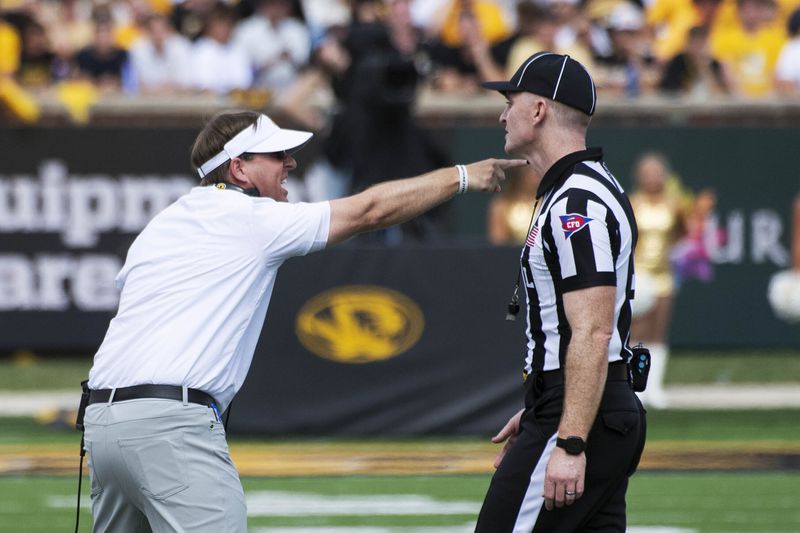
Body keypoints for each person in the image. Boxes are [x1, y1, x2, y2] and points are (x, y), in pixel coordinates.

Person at [80, 109, 526, 532]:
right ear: (238, 169)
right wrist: (462, 177)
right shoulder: (249, 216)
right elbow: (369, 211)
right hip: (169, 423)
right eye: (277, 155)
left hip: (101, 421)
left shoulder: (163, 223)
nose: (291, 162)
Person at [475, 52, 647, 532]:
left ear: (538, 110)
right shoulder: (574, 188)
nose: (502, 114)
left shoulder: (577, 200)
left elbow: (592, 330)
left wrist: (569, 438)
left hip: (577, 416)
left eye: (511, 101)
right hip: (579, 403)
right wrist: (539, 402)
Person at [628, 152, 687, 409]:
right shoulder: (632, 202)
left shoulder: (675, 204)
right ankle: (636, 385)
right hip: (638, 275)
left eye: (657, 172)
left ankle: (655, 388)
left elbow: (683, 233)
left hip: (664, 275)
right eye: (647, 172)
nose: (652, 178)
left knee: (658, 332)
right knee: (637, 330)